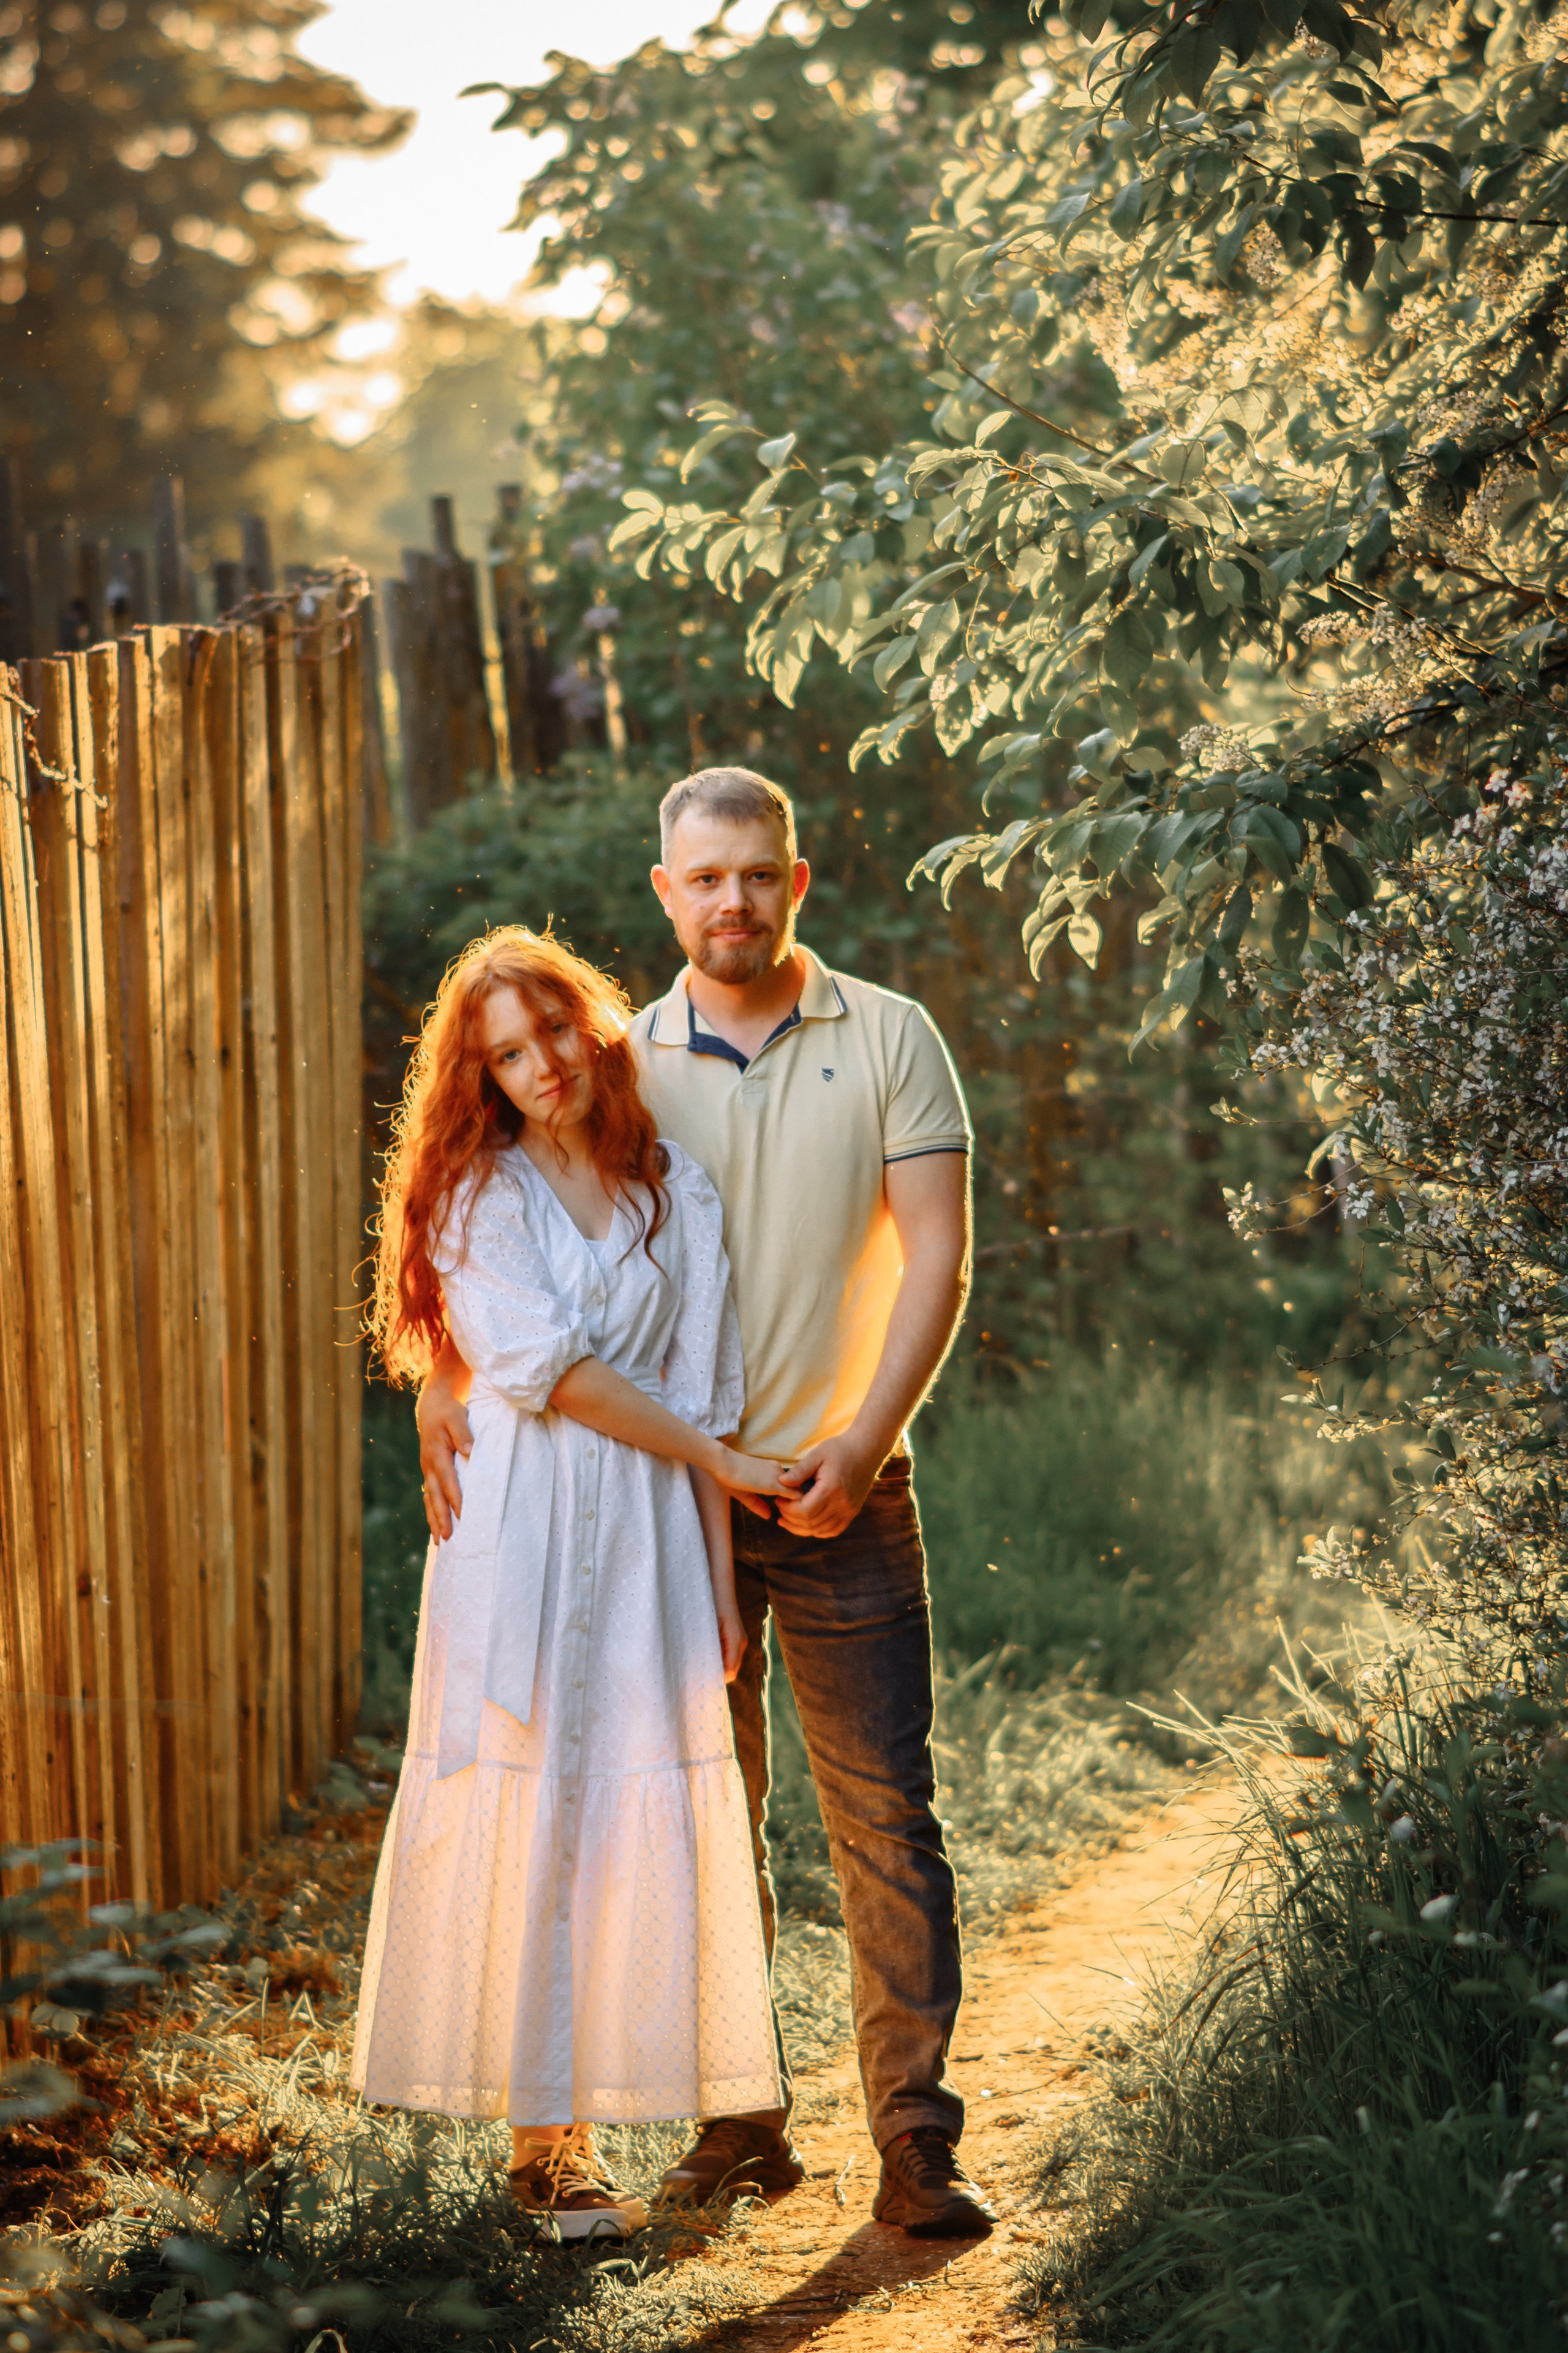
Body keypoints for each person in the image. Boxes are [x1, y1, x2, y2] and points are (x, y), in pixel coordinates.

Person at [419, 769, 997, 2240]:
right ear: (664, 894)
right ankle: (739, 2123)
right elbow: (503, 1210)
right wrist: (439, 1370)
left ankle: (915, 2142)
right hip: (664, 1513)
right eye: (703, 878)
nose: (731, 899)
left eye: (757, 873)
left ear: (793, 883)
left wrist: (864, 1442)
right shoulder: (620, 1054)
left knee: (881, 1815)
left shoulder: (888, 1035)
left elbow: (936, 1258)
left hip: (841, 1481)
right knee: (677, 1813)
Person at [352, 927, 787, 2238]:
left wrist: (715, 1577)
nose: (539, 1064)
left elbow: (704, 1382)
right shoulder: (474, 1196)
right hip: (528, 1524)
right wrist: (711, 1453)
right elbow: (545, 1369)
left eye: (551, 1031)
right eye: (506, 1052)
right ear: (478, 1075)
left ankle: (603, 2107)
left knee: (619, 1815)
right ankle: (548, 2148)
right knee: (534, 1798)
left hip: (654, 1530)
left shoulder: (676, 1192)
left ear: (590, 1024)